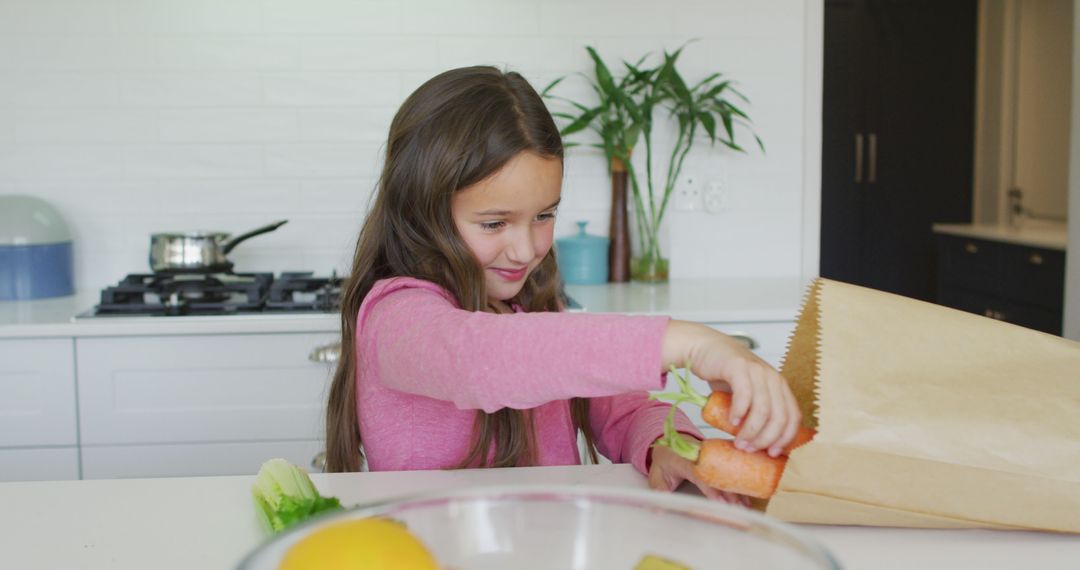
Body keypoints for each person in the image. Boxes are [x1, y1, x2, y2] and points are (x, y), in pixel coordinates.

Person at [324, 66, 801, 505]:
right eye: (494, 224)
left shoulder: (531, 303)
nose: (526, 249)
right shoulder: (396, 316)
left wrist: (666, 445)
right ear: (421, 212)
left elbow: (618, 404)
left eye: (544, 215)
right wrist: (687, 342)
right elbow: (479, 360)